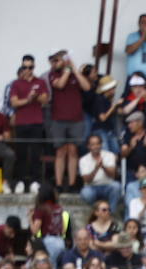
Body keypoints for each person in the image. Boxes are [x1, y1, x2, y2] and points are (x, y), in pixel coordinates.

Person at [46, 50, 90, 192]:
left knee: (73, 151)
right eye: (54, 61)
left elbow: (87, 87)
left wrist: (74, 70)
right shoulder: (53, 74)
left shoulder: (74, 74)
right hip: (58, 119)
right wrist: (67, 70)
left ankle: (71, 184)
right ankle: (59, 184)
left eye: (58, 60)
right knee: (60, 151)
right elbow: (59, 85)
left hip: (76, 119)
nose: (55, 63)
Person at [79, 134, 121, 213]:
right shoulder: (83, 160)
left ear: (101, 144)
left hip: (107, 185)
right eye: (93, 144)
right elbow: (86, 180)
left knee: (116, 186)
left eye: (97, 144)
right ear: (88, 146)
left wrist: (103, 167)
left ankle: (111, 213)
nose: (96, 146)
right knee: (86, 193)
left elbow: (113, 175)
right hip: (91, 187)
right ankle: (97, 212)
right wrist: (96, 169)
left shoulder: (109, 155)